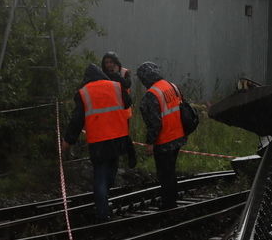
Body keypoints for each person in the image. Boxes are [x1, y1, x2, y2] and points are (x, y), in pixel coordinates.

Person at [63, 63, 133, 221]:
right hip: (118, 137)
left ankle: (102, 213)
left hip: (99, 141)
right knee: (111, 172)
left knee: (100, 175)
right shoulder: (116, 86)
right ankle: (104, 203)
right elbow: (128, 103)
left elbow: (77, 120)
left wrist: (68, 141)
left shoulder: (83, 93)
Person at [136, 61, 187, 210]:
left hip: (164, 141)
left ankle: (168, 204)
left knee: (165, 174)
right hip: (178, 137)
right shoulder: (172, 86)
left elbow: (154, 123)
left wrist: (150, 143)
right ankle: (172, 201)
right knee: (171, 172)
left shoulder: (151, 94)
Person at [100, 50, 138, 167]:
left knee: (124, 134)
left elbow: (127, 84)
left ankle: (131, 156)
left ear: (116, 62)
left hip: (123, 109)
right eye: (107, 62)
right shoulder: (101, 74)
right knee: (111, 134)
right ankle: (115, 158)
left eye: (111, 62)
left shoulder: (124, 72)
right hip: (109, 109)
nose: (109, 65)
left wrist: (116, 75)